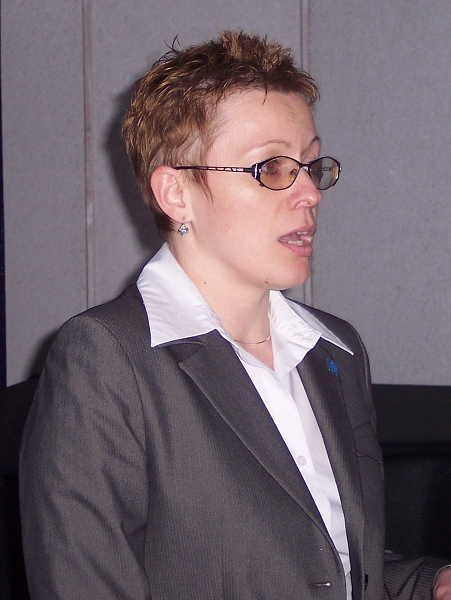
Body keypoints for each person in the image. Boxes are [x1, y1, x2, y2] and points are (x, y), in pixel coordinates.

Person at [19, 30, 451, 600]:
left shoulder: (335, 349)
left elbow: (333, 565)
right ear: (176, 194)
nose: (310, 193)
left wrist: (426, 583)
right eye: (271, 167)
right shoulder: (106, 358)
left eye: (311, 165)